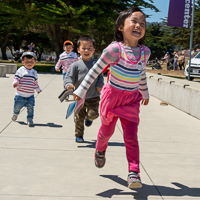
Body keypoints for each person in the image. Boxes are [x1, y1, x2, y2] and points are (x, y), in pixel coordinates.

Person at [73, 7, 151, 189]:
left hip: (132, 100)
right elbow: (95, 71)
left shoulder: (144, 52)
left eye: (143, 23)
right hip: (112, 98)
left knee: (131, 137)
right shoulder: (115, 49)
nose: (139, 25)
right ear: (120, 28)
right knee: (107, 132)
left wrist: (145, 93)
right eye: (134, 21)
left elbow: (141, 74)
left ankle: (134, 173)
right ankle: (100, 149)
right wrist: (82, 90)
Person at [64, 35, 104, 143]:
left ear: (93, 50)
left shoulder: (97, 64)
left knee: (93, 114)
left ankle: (89, 119)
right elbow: (69, 77)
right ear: (78, 50)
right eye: (84, 48)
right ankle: (79, 135)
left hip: (94, 96)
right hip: (79, 97)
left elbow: (100, 76)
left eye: (89, 48)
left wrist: (100, 84)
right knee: (79, 118)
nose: (87, 50)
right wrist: (68, 84)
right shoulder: (75, 65)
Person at [11, 52, 42, 126]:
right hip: (20, 95)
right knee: (17, 107)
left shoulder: (34, 72)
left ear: (34, 63)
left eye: (31, 61)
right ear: (23, 62)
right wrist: (15, 83)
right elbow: (16, 78)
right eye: (27, 61)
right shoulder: (20, 70)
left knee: (31, 108)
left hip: (30, 95)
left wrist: (38, 89)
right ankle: (15, 113)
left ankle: (30, 119)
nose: (29, 63)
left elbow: (35, 82)